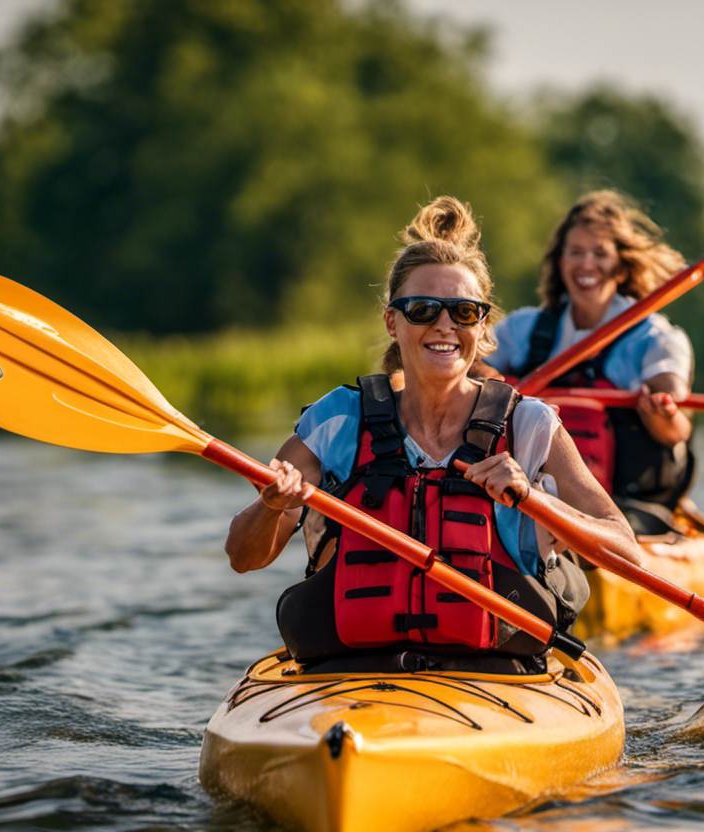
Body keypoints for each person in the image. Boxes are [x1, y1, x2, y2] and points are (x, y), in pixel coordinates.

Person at [223, 196, 641, 674]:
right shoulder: (337, 420)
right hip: (350, 670)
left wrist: (533, 500)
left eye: (464, 312)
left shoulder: (529, 425)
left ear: (482, 328)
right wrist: (272, 506)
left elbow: (626, 554)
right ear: (391, 321)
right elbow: (243, 557)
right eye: (422, 309)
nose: (444, 325)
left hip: (496, 673)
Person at [481, 191, 695, 533]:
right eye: (575, 252)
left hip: (625, 507)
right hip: (528, 495)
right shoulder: (524, 328)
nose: (586, 264)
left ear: (622, 267)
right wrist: (492, 380)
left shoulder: (657, 339)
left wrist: (663, 413)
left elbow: (677, 429)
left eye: (600, 253)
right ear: (560, 262)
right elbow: (465, 365)